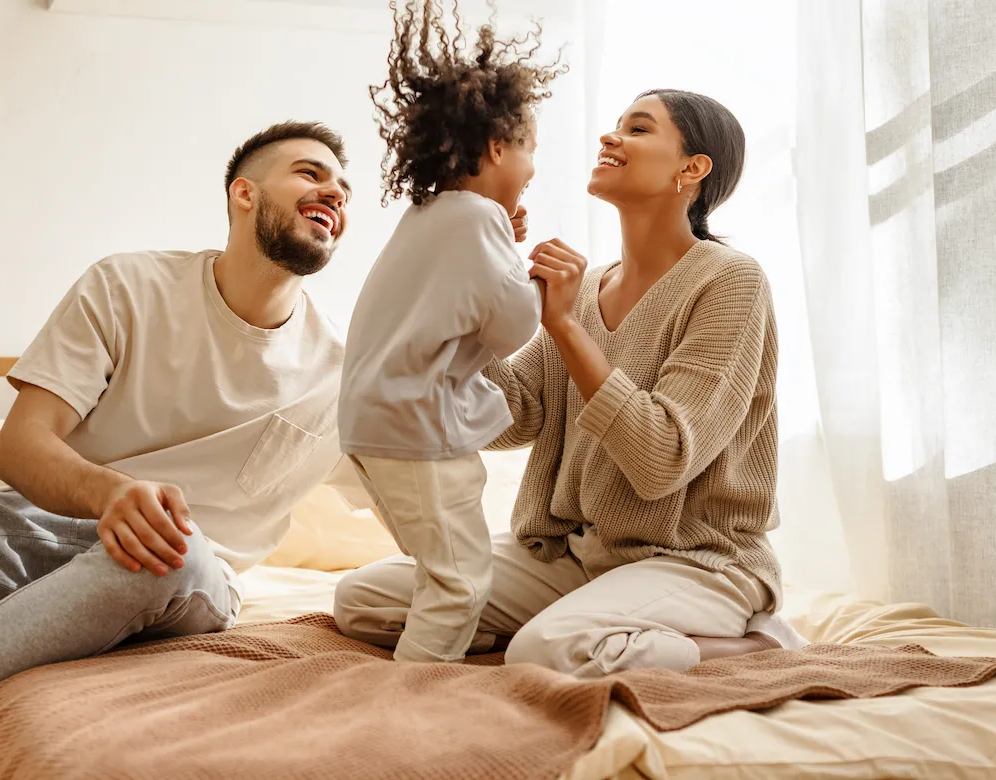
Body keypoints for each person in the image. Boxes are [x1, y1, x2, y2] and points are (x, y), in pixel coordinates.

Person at [0, 121, 366, 780]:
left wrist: (484, 282)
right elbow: (22, 448)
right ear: (243, 194)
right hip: (42, 529)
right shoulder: (127, 287)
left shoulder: (351, 368)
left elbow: (464, 436)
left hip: (178, 577)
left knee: (172, 545)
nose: (334, 191)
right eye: (311, 173)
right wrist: (110, 493)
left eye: (344, 186)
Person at [335, 89, 809, 677]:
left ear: (692, 169)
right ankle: (598, 622)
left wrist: (559, 324)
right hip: (577, 556)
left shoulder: (730, 281)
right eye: (614, 126)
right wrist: (475, 285)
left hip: (696, 561)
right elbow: (518, 413)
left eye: (638, 129)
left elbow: (662, 459)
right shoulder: (586, 290)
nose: (611, 138)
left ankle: (754, 646)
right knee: (363, 601)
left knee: (547, 650)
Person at [336, 0, 561, 665]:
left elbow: (460, 302)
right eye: (529, 153)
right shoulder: (478, 222)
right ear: (496, 148)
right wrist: (545, 289)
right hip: (418, 432)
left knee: (441, 570)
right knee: (460, 583)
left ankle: (428, 665)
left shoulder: (433, 214)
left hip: (373, 427)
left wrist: (502, 246)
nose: (531, 171)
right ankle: (415, 705)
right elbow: (511, 323)